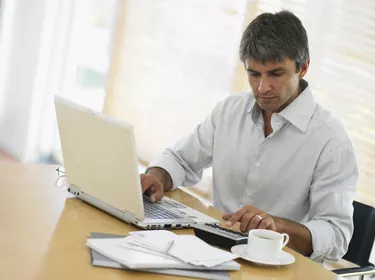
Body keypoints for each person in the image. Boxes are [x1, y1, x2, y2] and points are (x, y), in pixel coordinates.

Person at [140, 10, 358, 262]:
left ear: (304, 67)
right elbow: (180, 160)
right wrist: (156, 177)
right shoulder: (229, 111)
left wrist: (276, 226)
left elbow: (336, 234)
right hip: (212, 252)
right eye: (254, 74)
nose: (262, 88)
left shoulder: (331, 141)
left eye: (276, 74)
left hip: (279, 265)